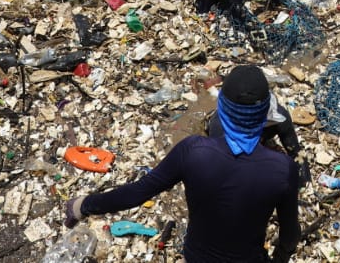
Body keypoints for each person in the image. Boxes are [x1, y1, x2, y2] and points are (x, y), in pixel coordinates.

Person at [64, 64, 300, 263]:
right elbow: (290, 235)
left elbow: (136, 193)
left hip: (198, 256)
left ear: (222, 110)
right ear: (264, 114)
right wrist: (279, 258)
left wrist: (83, 205)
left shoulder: (194, 152)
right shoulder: (282, 169)